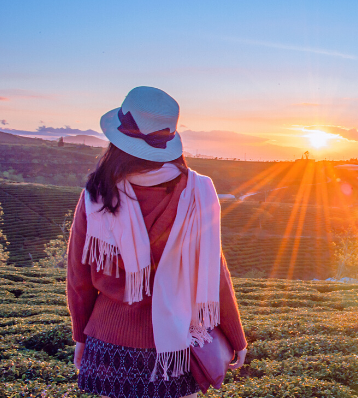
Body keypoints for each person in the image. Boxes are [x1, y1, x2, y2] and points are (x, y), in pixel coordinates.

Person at [67, 86, 247, 398]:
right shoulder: (199, 192)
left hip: (108, 343)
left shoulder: (96, 195)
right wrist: (236, 337)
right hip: (176, 347)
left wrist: (81, 337)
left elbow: (78, 280)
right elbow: (215, 274)